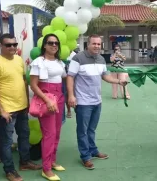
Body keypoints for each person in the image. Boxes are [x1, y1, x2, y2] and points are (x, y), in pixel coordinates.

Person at [67, 34, 128, 170]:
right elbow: (70, 77)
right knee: (82, 130)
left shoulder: (101, 59)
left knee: (91, 129)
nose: (96, 46)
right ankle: (85, 156)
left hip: (97, 101)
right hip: (83, 102)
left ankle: (93, 151)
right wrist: (71, 96)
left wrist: (119, 81)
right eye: (94, 44)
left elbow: (105, 76)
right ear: (88, 44)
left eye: (99, 44)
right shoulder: (78, 58)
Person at [0, 33, 41, 181]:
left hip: (22, 107)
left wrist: (27, 103)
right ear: (1, 46)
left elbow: (23, 81)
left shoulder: (18, 60)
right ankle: (9, 170)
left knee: (24, 136)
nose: (12, 47)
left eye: (14, 45)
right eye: (8, 45)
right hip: (6, 111)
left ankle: (25, 162)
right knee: (6, 142)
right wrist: (2, 110)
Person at [30, 34, 66, 181]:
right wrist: (47, 100)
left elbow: (63, 78)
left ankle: (52, 161)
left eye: (56, 43)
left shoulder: (59, 62)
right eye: (50, 43)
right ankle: (46, 168)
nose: (54, 45)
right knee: (49, 134)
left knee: (56, 132)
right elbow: (33, 85)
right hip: (47, 97)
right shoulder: (39, 62)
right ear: (44, 45)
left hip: (59, 97)